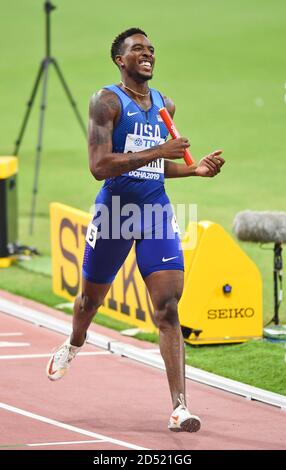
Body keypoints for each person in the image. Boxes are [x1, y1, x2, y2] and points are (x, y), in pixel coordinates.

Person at [46, 27, 225, 432]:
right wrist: (160, 150)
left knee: (168, 308)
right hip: (114, 212)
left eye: (151, 49)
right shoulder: (106, 101)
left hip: (154, 211)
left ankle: (180, 408)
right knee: (89, 303)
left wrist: (192, 170)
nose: (147, 54)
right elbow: (99, 166)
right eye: (137, 50)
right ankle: (75, 343)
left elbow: (153, 166)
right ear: (119, 60)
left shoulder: (165, 105)